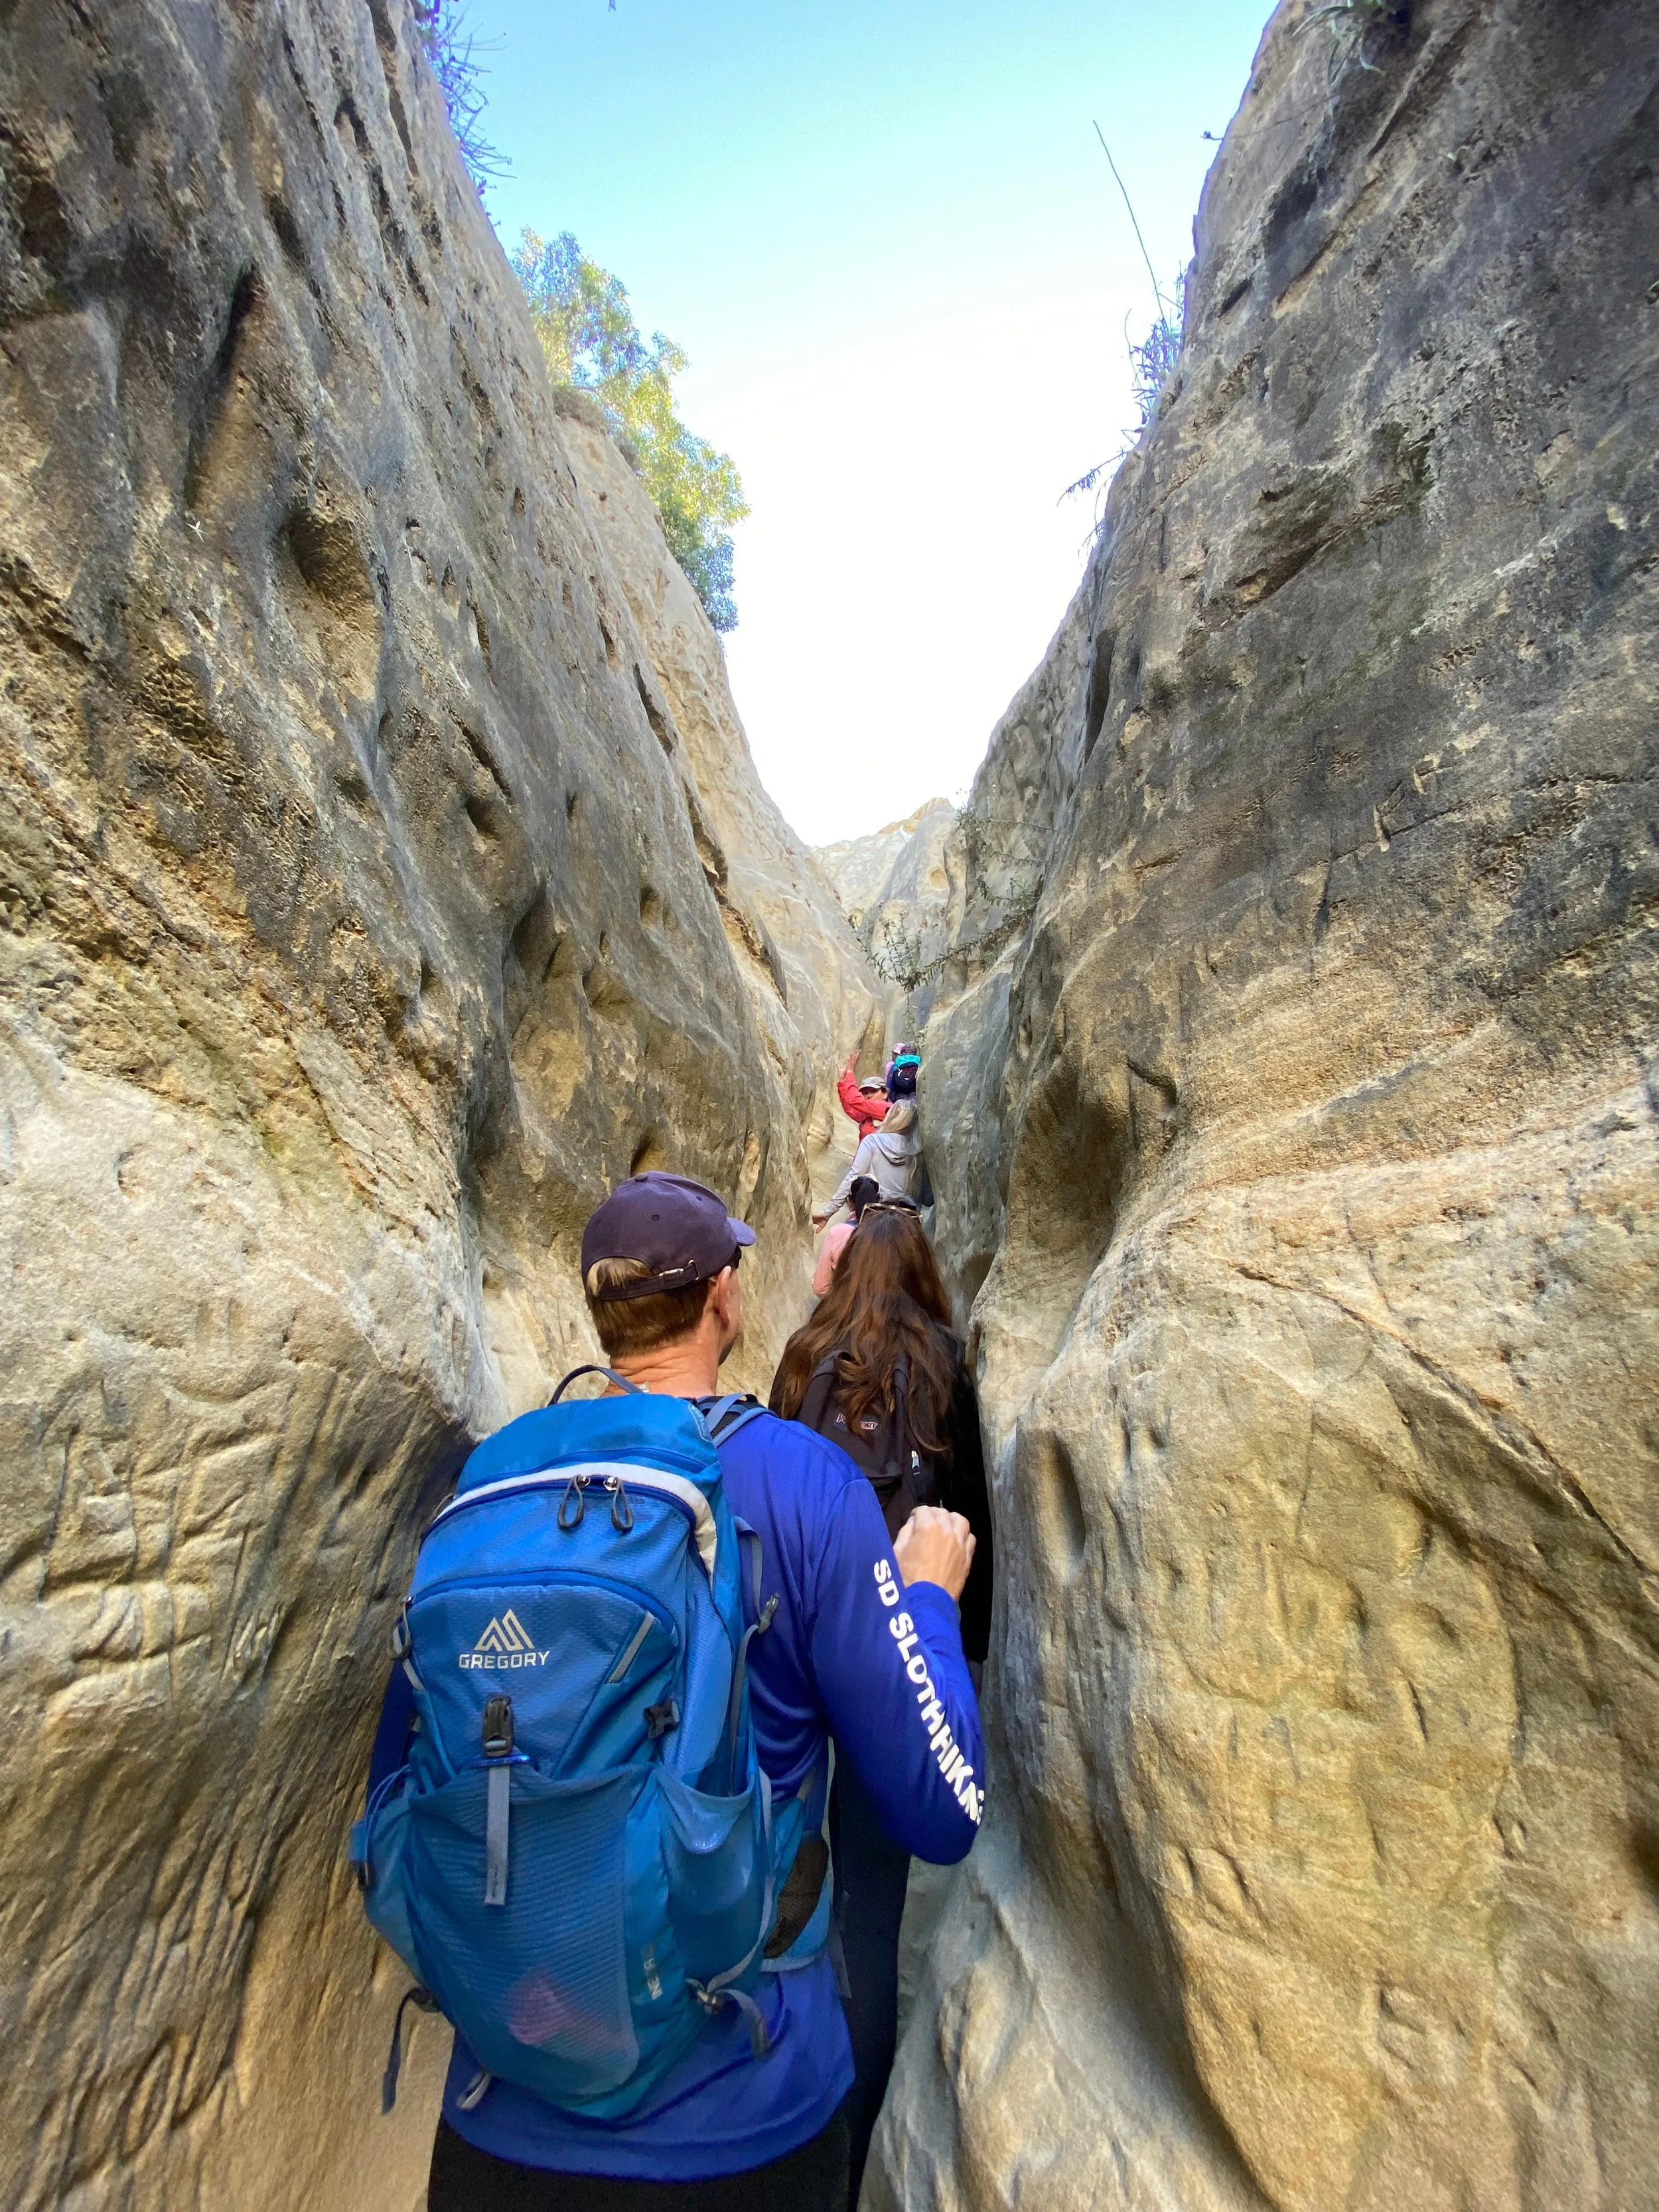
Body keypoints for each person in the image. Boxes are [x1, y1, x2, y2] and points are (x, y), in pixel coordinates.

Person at [418, 1171, 984, 2211]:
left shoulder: (492, 1484)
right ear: (726, 1296)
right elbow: (942, 1808)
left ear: (602, 1310)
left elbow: (408, 1793)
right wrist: (929, 1604)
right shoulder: (806, 1483)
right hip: (742, 2118)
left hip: (499, 2112)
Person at [769, 1206, 993, 2208]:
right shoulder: (947, 1358)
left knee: (771, 1873)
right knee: (872, 1916)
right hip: (894, 1648)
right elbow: (971, 1514)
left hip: (791, 1641)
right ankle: (849, 2151)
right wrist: (961, 1652)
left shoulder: (807, 1350)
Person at [814, 1100, 922, 1228]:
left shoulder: (872, 1141)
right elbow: (927, 1198)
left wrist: (828, 1212)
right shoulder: (918, 1152)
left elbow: (853, 1177)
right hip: (908, 1215)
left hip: (875, 1210)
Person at [812, 1175, 879, 1295]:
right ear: (878, 1201)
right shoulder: (887, 1234)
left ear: (850, 1203)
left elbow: (820, 1287)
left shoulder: (838, 1233)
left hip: (844, 1306)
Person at [835, 1055, 889, 1141]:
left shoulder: (887, 1109)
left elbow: (855, 1100)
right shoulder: (870, 1113)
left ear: (885, 1094)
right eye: (865, 1093)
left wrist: (850, 1072)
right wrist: (842, 1081)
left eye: (874, 1091)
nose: (869, 1095)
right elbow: (850, 1109)